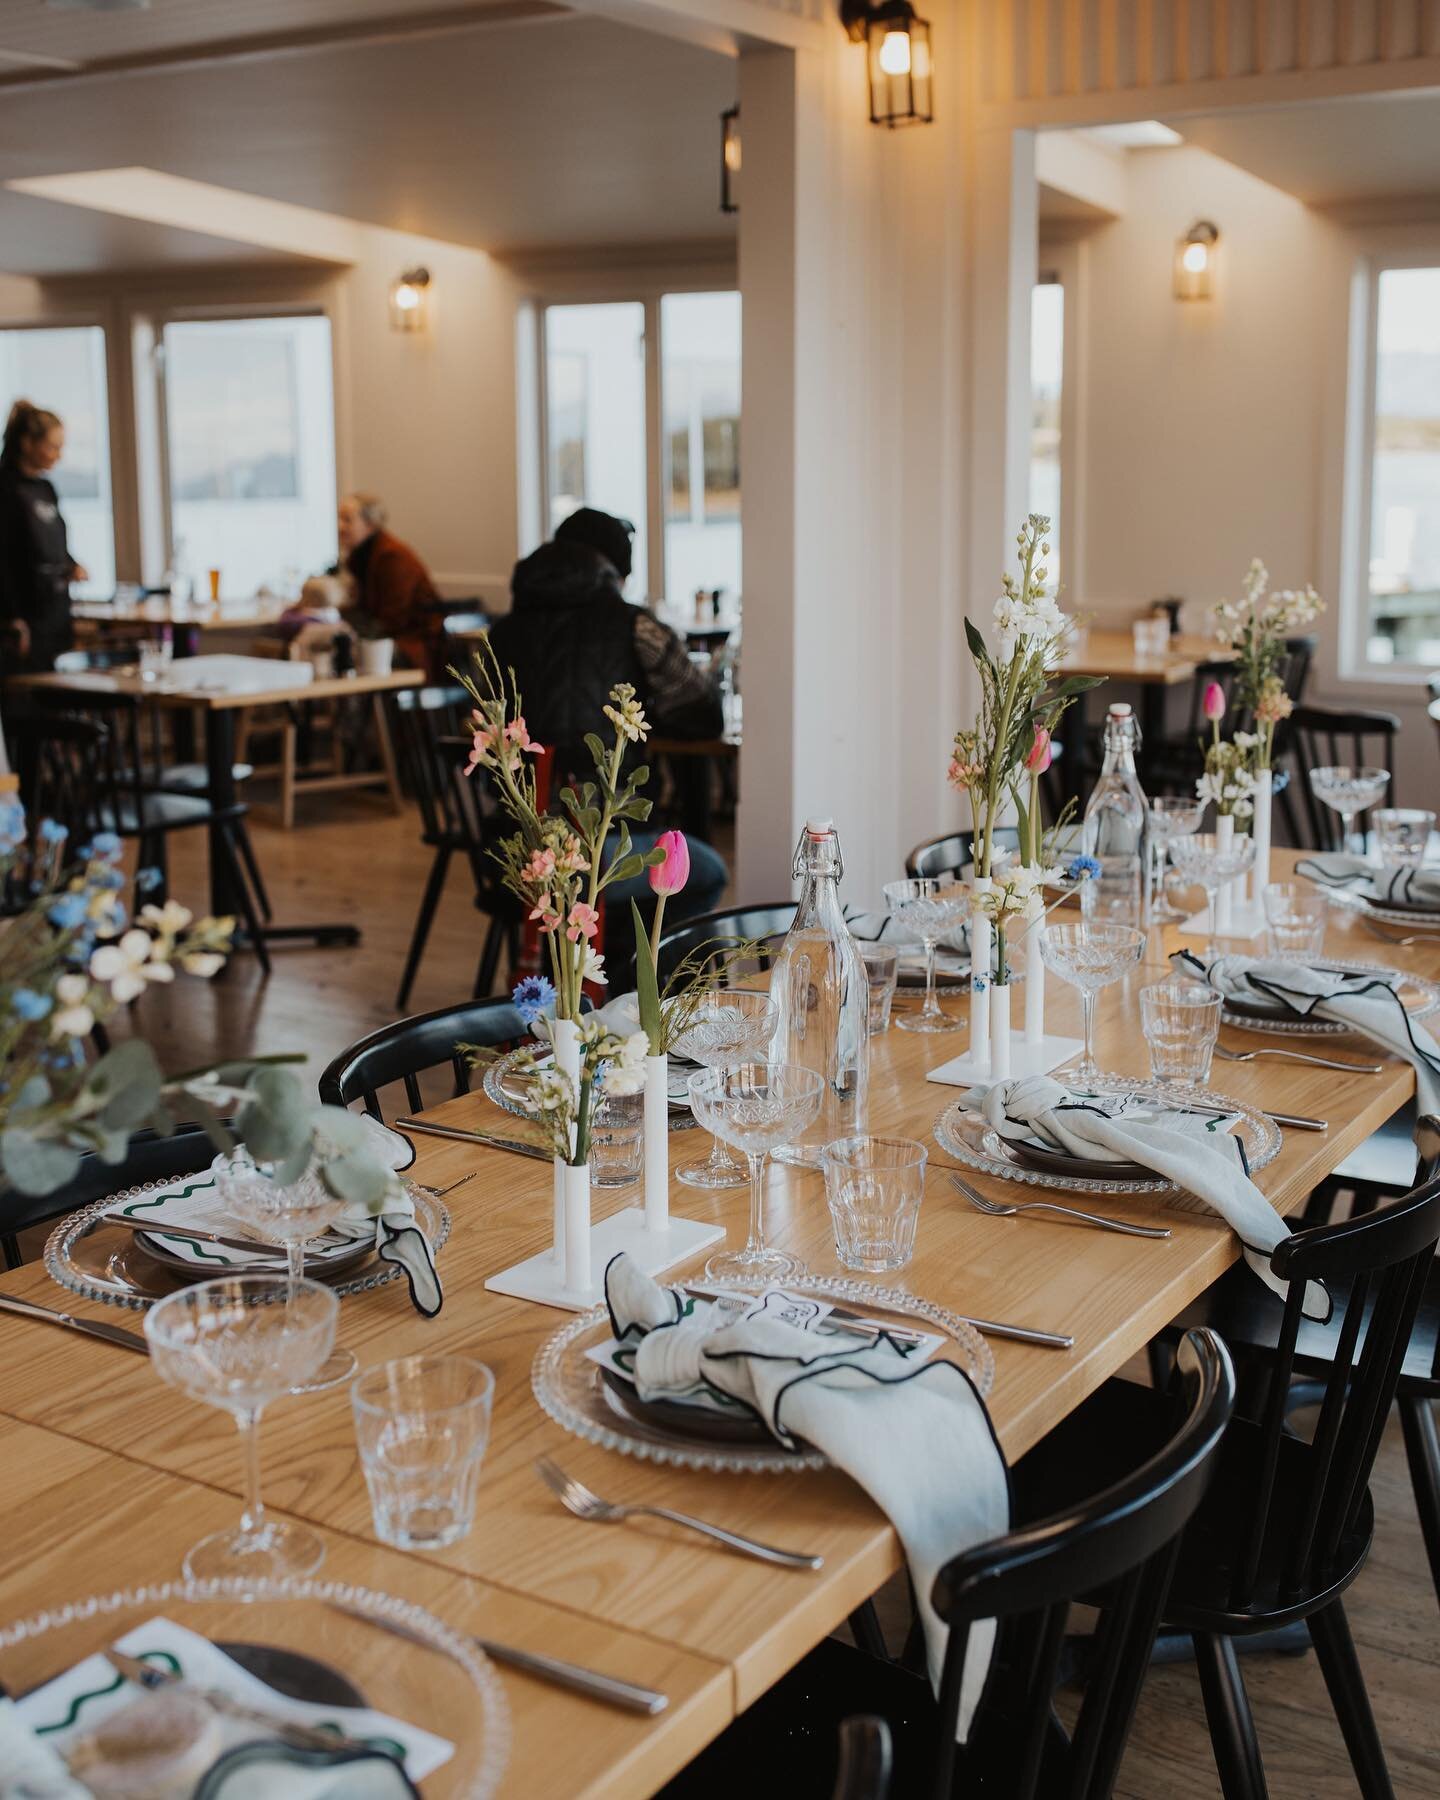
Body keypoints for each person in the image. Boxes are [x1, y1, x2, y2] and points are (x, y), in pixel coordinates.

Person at [488, 512, 728, 924]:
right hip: (601, 850)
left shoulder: (501, 634)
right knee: (706, 872)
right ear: (616, 570)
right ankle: (639, 969)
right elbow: (704, 710)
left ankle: (590, 954)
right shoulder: (634, 625)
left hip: (512, 850)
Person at [0, 401, 88, 672]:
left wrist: (72, 564)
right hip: (25, 615)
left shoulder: (46, 488)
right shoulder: (5, 489)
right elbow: (2, 558)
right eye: (53, 447)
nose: (58, 456)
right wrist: (11, 617)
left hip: (56, 611)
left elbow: (54, 544)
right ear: (27, 443)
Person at [336, 492, 443, 676]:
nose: (340, 526)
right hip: (390, 637)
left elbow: (392, 620)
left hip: (414, 644)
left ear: (369, 525)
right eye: (339, 518)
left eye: (347, 520)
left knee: (344, 652)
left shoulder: (391, 557)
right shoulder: (361, 558)